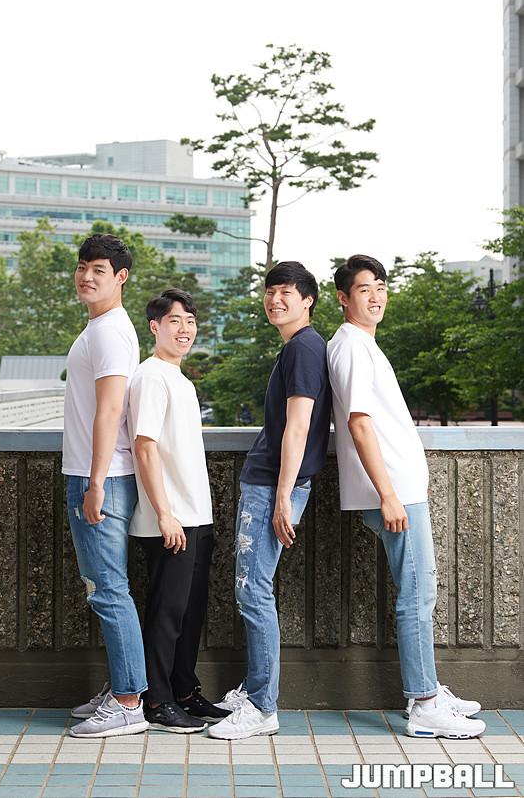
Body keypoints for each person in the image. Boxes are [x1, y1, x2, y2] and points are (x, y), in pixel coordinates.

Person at [326, 254, 485, 739]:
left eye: (380, 286)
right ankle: (424, 703)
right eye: (364, 289)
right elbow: (358, 423)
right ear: (343, 298)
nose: (376, 296)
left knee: (420, 589)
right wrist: (388, 494)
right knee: (418, 593)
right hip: (392, 490)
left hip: (399, 487)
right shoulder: (351, 347)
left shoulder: (362, 344)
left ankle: (428, 688)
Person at [209, 261, 332, 741]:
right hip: (269, 483)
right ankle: (254, 691)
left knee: (253, 590)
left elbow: (299, 427)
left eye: (286, 292)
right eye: (270, 292)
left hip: (272, 486)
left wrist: (282, 495)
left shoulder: (304, 348)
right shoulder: (298, 347)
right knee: (251, 588)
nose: (274, 300)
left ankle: (262, 706)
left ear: (308, 300)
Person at [127, 289, 230, 733]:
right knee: (166, 614)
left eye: (190, 320)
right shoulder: (150, 376)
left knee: (189, 614)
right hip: (169, 519)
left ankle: (185, 691)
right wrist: (165, 513)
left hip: (196, 515)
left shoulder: (180, 380)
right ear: (155, 327)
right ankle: (157, 700)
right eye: (174, 320)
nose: (185, 328)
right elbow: (144, 447)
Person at [63, 234, 148, 738]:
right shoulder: (99, 328)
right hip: (94, 472)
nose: (87, 276)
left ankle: (128, 701)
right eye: (82, 267)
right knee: (104, 588)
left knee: (110, 589)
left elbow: (111, 409)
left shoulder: (111, 331)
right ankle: (121, 686)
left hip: (104, 476)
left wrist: (94, 482)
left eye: (99, 269)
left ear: (121, 277)